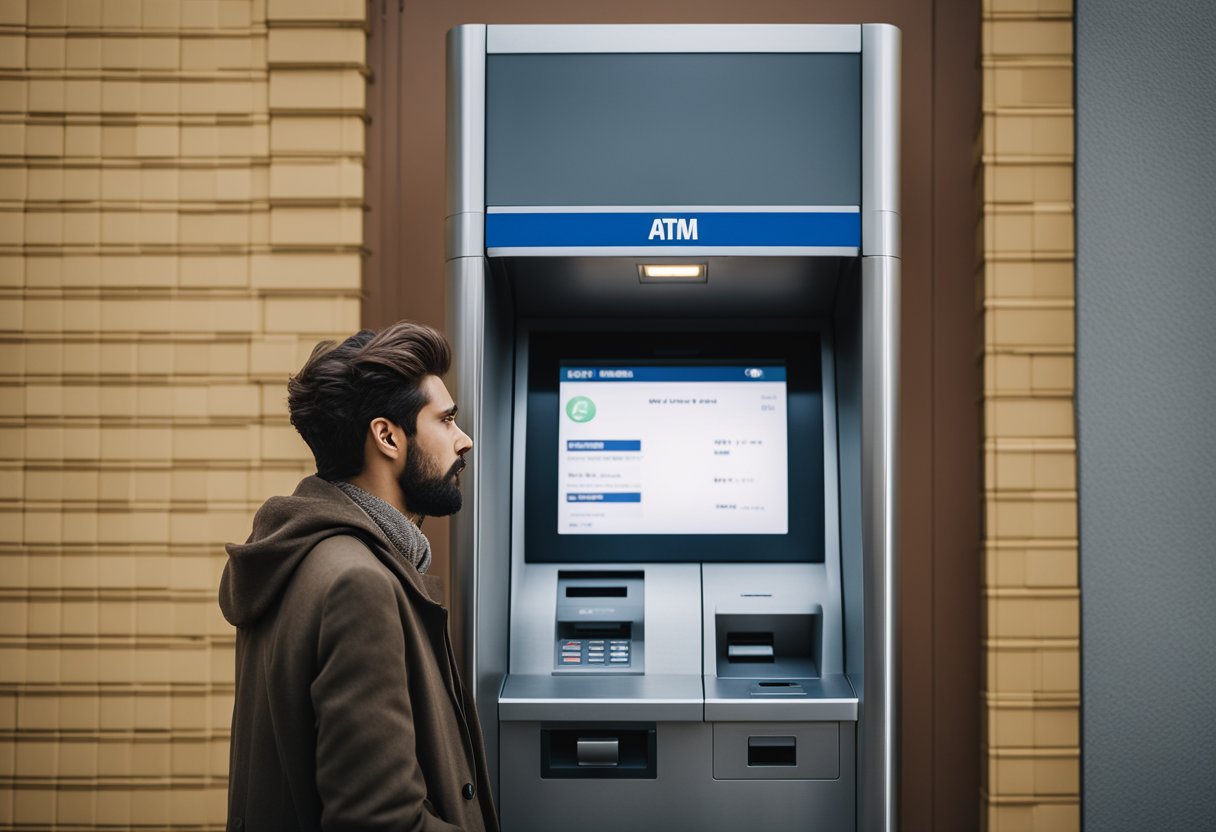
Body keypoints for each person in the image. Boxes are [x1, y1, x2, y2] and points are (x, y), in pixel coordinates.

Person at [219, 321, 497, 832]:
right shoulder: (358, 583)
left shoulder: (299, 554)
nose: (465, 441)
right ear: (387, 436)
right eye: (447, 420)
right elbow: (380, 820)